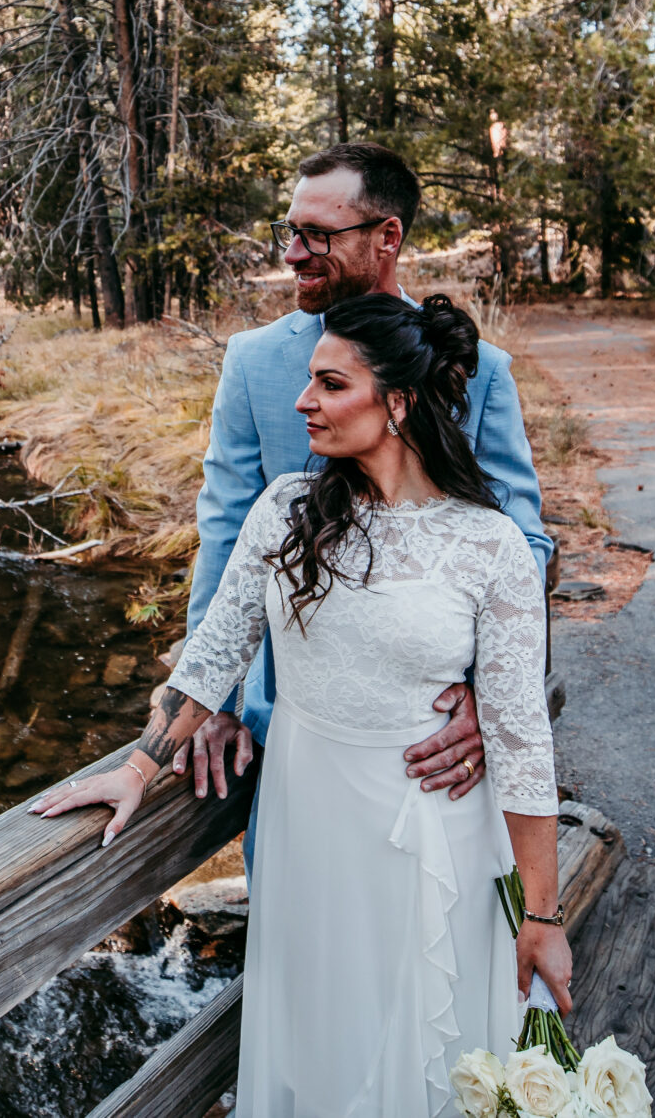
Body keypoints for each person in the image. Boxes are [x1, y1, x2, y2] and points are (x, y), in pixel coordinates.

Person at [34, 293, 565, 1118]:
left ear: (398, 401)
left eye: (329, 383)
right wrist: (138, 766)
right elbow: (216, 650)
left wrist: (542, 914)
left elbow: (524, 739)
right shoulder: (287, 509)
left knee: (429, 1041)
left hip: (435, 828)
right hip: (309, 818)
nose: (302, 401)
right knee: (323, 1033)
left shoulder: (486, 542)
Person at [181, 143, 554, 812]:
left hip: (435, 742)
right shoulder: (252, 363)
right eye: (291, 231)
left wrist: (489, 696)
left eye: (317, 234)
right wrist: (211, 701)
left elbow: (522, 545)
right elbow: (225, 536)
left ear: (388, 237)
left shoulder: (480, 370)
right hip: (293, 733)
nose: (292, 253)